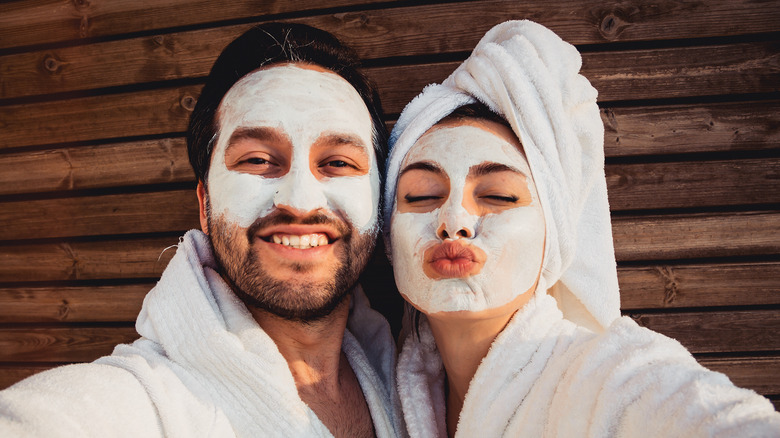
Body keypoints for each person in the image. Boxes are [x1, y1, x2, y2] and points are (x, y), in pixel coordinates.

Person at [0, 23, 404, 437]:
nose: (300, 201)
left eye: (338, 163)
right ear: (205, 203)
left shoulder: (408, 388)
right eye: (258, 160)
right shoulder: (134, 404)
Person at [383, 20, 780, 437]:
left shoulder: (614, 374)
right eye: (421, 196)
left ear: (552, 232)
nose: (454, 223)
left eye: (498, 196)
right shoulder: (386, 396)